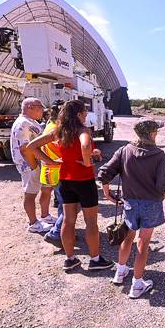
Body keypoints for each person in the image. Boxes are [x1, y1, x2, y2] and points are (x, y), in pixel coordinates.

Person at [27, 100, 111, 271]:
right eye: (85, 114)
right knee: (91, 223)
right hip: (84, 181)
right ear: (79, 114)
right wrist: (87, 162)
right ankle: (95, 260)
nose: (86, 116)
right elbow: (85, 144)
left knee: (68, 220)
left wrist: (50, 162)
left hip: (66, 180)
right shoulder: (82, 130)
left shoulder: (59, 131)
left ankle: (70, 258)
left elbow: (32, 146)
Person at [98, 117, 165, 299]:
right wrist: (163, 193)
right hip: (151, 203)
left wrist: (106, 193)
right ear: (152, 134)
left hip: (130, 202)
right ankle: (137, 284)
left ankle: (120, 272)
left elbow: (105, 172)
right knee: (143, 243)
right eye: (156, 131)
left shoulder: (125, 150)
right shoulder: (159, 155)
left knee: (128, 236)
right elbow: (164, 185)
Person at [10, 97, 55, 233]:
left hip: (37, 162)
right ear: (30, 107)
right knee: (30, 193)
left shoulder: (31, 122)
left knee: (45, 189)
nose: (42, 110)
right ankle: (33, 223)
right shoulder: (23, 123)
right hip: (29, 164)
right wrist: (35, 166)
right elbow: (25, 148)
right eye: (40, 107)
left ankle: (45, 216)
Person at [40, 102, 65, 245]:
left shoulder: (49, 126)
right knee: (66, 205)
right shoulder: (56, 130)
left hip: (52, 171)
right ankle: (57, 232)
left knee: (63, 204)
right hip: (58, 171)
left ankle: (62, 230)